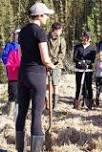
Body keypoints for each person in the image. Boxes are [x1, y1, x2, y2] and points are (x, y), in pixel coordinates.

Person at [16, 2, 56, 152]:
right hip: (37, 75)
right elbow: (45, 59)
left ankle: (20, 148)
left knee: (22, 112)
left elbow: (20, 55)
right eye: (45, 14)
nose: (47, 17)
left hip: (23, 74)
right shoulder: (39, 32)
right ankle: (36, 150)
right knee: (36, 113)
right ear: (39, 15)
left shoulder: (22, 32)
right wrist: (53, 65)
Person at [73, 31, 96, 110]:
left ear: (89, 39)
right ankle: (78, 103)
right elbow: (74, 58)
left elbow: (92, 59)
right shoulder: (78, 46)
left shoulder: (93, 47)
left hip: (88, 70)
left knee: (88, 86)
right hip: (79, 69)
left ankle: (89, 103)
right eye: (84, 37)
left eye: (87, 37)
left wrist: (86, 62)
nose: (85, 39)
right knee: (79, 85)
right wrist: (80, 62)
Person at [1, 28, 21, 117]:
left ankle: (18, 112)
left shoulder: (24, 45)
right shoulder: (9, 45)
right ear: (14, 35)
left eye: (20, 34)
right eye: (17, 34)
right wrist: (10, 65)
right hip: (13, 73)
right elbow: (4, 57)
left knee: (21, 92)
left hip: (22, 73)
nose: (18, 36)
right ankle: (10, 112)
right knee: (13, 91)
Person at [48, 22, 66, 109]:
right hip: (46, 64)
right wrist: (47, 62)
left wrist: (55, 62)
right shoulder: (46, 38)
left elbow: (62, 53)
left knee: (55, 84)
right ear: (55, 30)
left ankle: (55, 105)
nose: (61, 32)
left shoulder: (61, 40)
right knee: (46, 85)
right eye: (60, 30)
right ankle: (47, 103)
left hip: (57, 65)